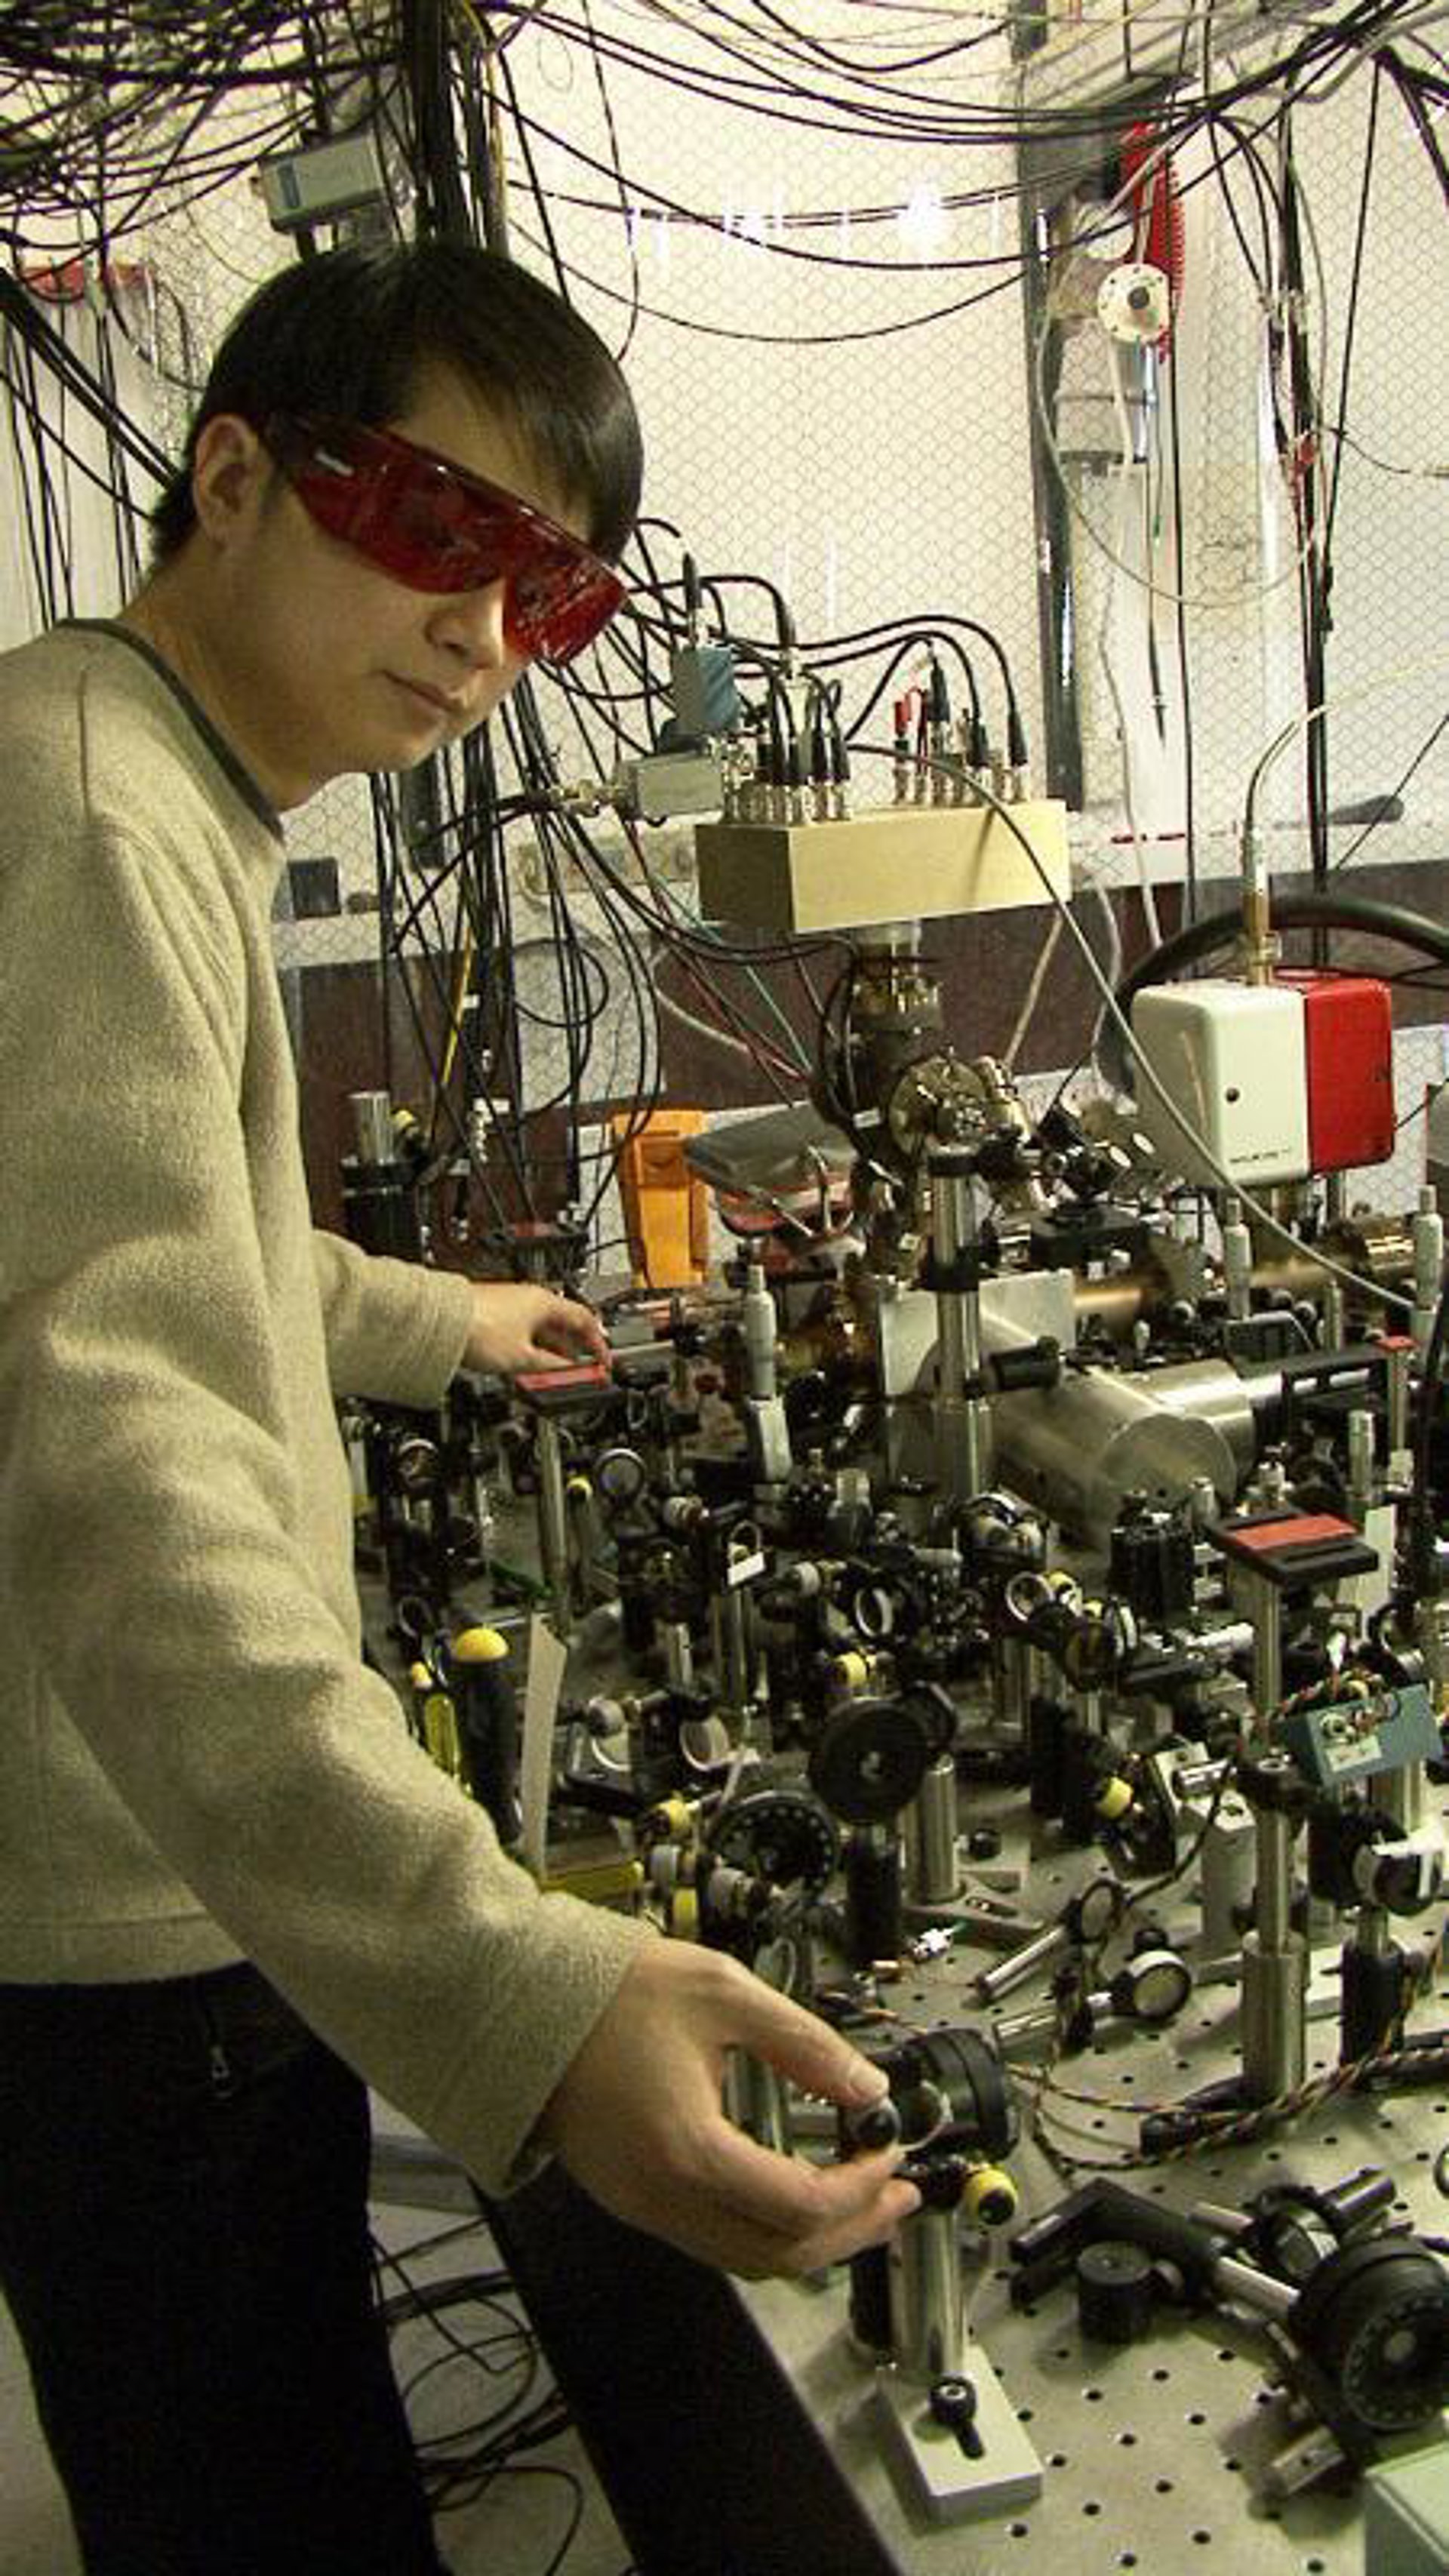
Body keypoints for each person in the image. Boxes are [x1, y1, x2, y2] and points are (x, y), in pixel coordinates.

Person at [0, 239, 916, 2576]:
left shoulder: (130, 768)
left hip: (176, 1846)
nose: (485, 633)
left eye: (553, 594)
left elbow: (145, 1255)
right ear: (232, 476)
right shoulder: (95, 815)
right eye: (438, 529)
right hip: (137, 1896)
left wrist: (436, 1320)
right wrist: (518, 1987)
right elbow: (118, 1445)